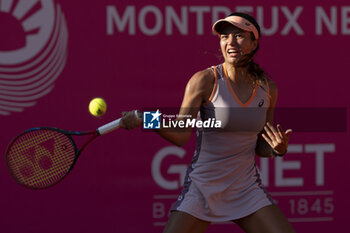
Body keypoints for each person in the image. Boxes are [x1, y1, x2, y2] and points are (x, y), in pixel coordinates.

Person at [121, 12, 295, 233]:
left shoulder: (268, 89)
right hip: (203, 188)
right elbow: (180, 131)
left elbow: (262, 146)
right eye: (224, 37)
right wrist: (143, 117)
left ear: (254, 43)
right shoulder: (205, 80)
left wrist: (276, 149)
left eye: (239, 36)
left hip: (246, 189)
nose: (230, 42)